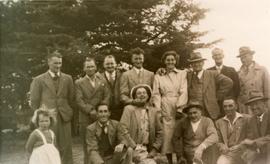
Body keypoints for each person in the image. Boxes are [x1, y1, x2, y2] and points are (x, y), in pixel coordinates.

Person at [29, 51, 74, 164]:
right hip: (47, 119)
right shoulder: (39, 80)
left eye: (60, 63)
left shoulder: (68, 78)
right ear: (48, 62)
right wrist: (41, 117)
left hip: (64, 117)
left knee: (66, 148)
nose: (58, 66)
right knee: (50, 147)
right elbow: (34, 101)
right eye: (55, 63)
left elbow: (71, 98)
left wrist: (69, 112)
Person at [152, 51, 188, 164]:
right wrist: (158, 110)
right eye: (168, 60)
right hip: (165, 105)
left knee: (178, 132)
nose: (170, 62)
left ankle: (180, 159)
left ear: (176, 61)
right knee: (167, 134)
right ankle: (169, 161)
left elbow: (184, 90)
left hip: (178, 104)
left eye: (172, 59)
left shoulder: (182, 73)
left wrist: (180, 108)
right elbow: (156, 93)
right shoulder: (158, 75)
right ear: (164, 61)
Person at [75, 57, 110, 164]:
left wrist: (100, 111)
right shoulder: (79, 83)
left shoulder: (102, 81)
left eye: (92, 66)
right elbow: (79, 100)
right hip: (86, 117)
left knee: (101, 144)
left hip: (101, 117)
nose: (90, 68)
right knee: (88, 147)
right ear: (84, 68)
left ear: (95, 67)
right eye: (87, 66)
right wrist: (90, 111)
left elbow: (107, 96)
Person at [120, 84, 163, 163]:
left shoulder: (153, 111)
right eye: (139, 93)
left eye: (144, 93)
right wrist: (134, 147)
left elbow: (160, 132)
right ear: (135, 96)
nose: (142, 95)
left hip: (147, 149)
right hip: (132, 148)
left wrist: (154, 149)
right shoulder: (129, 109)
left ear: (148, 96)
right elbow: (123, 130)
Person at [187, 52, 233, 120]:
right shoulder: (188, 75)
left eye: (199, 62)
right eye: (193, 63)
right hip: (195, 111)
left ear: (203, 63)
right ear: (191, 65)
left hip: (210, 110)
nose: (196, 64)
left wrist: (217, 96)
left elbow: (228, 82)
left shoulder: (212, 74)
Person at [237, 91, 270, 164]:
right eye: (251, 105)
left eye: (257, 104)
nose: (254, 107)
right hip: (256, 156)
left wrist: (254, 143)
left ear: (264, 104)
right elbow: (242, 140)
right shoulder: (250, 120)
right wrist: (245, 150)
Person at [215, 98, 250, 164]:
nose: (227, 108)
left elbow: (252, 137)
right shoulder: (219, 122)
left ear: (236, 106)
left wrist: (240, 145)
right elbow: (218, 140)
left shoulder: (247, 119)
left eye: (230, 106)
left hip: (245, 152)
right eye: (225, 106)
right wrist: (222, 146)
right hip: (228, 153)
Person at [237, 46, 270, 114]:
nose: (243, 60)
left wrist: (267, 106)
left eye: (245, 56)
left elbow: (267, 91)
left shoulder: (262, 70)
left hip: (259, 104)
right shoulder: (238, 73)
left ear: (251, 56)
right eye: (241, 58)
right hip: (245, 106)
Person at [97, 55, 123, 120]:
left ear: (116, 64)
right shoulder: (98, 77)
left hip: (120, 109)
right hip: (105, 110)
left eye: (112, 63)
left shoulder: (122, 75)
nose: (110, 66)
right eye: (107, 64)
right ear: (104, 65)